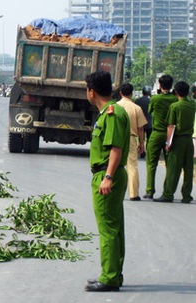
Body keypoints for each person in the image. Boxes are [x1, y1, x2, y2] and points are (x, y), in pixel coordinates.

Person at [84, 72, 130, 292]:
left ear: (92, 91)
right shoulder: (108, 112)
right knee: (115, 227)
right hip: (107, 174)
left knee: (108, 229)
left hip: (106, 175)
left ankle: (110, 277)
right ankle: (113, 274)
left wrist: (108, 177)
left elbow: (116, 148)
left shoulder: (111, 113)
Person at [153, 82, 196, 203]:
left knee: (173, 168)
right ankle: (186, 195)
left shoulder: (175, 106)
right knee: (188, 168)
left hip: (178, 139)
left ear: (176, 92)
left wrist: (168, 143)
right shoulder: (193, 105)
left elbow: (171, 126)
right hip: (189, 140)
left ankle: (168, 194)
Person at [144, 75, 177, 200]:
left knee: (151, 163)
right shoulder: (175, 99)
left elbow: (150, 111)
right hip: (171, 135)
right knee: (170, 164)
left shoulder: (155, 99)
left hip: (157, 133)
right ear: (171, 85)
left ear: (159, 85)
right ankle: (167, 191)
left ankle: (150, 190)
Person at [117, 83, 147, 201]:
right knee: (132, 166)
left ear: (120, 93)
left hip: (117, 137)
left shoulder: (115, 106)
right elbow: (141, 128)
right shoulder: (136, 108)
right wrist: (141, 143)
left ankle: (112, 190)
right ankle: (133, 194)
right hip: (130, 139)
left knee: (114, 165)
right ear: (132, 93)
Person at [135, 85, 152, 158]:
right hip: (149, 123)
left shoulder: (138, 100)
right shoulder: (151, 100)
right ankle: (149, 152)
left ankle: (142, 152)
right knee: (149, 139)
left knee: (141, 138)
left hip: (140, 122)